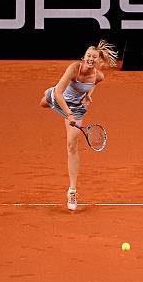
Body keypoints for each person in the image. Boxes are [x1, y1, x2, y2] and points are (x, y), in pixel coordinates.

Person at [39, 40, 117, 211]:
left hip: (77, 108)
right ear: (84, 57)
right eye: (88, 55)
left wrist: (88, 95)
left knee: (71, 145)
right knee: (43, 102)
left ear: (98, 61)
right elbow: (59, 94)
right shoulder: (75, 67)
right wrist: (68, 114)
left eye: (94, 57)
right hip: (60, 98)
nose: (90, 58)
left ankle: (72, 191)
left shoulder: (99, 76)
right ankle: (48, 92)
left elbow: (93, 85)